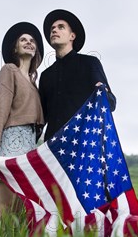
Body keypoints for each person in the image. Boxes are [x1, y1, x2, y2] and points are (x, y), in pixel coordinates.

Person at [0, 22, 45, 221]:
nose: (29, 43)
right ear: (15, 48)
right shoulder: (9, 71)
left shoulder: (34, 83)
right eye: (23, 40)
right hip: (11, 139)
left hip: (29, 144)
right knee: (5, 202)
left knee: (22, 203)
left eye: (32, 40)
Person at [39, 9, 117, 140]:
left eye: (60, 27)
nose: (54, 30)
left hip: (82, 144)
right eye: (52, 28)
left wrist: (103, 93)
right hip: (53, 149)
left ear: (72, 36)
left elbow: (111, 103)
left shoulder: (90, 63)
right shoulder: (46, 75)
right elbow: (41, 118)